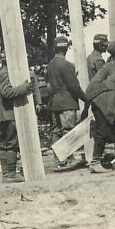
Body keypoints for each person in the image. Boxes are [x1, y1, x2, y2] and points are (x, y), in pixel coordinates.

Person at [47, 36, 89, 171]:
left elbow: (49, 85)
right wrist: (86, 98)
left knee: (56, 131)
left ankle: (58, 160)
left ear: (55, 48)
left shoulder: (50, 65)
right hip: (67, 103)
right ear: (66, 48)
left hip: (54, 103)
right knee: (68, 130)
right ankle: (69, 159)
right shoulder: (67, 65)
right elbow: (74, 87)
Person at [0, 56, 32, 183]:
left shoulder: (0, 72)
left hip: (3, 115)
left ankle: (6, 173)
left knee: (5, 145)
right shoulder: (6, 73)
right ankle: (10, 174)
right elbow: (7, 93)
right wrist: (24, 88)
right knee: (11, 144)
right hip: (8, 114)